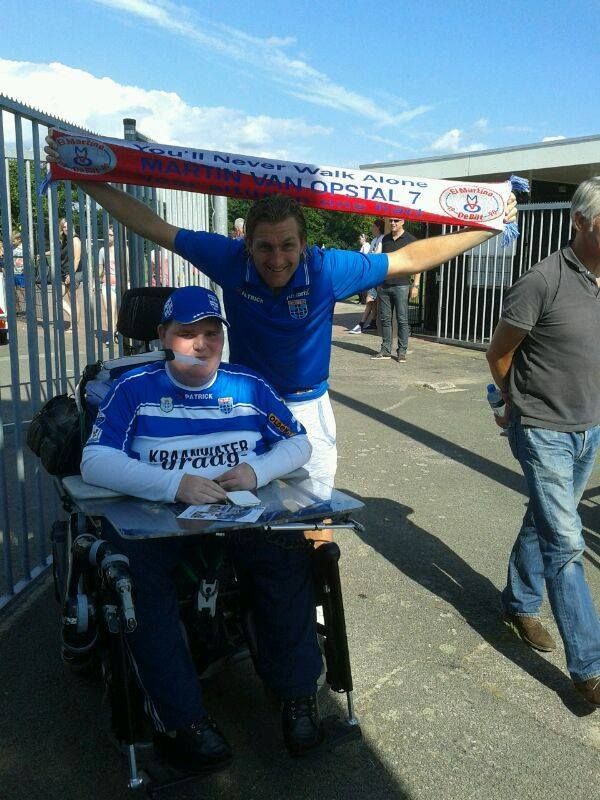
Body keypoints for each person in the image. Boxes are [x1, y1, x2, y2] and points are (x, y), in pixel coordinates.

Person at [45, 132, 517, 492]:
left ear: (304, 244)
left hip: (307, 406)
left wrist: (489, 226)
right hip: (243, 405)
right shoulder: (229, 259)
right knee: (238, 515)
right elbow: (154, 227)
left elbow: (410, 258)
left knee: (314, 516)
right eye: (265, 247)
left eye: (287, 246)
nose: (276, 259)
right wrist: (82, 177)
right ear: (246, 245)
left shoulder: (328, 268)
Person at [81, 285, 323, 770]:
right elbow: (95, 461)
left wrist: (257, 471)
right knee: (136, 580)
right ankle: (183, 721)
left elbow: (298, 443)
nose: (201, 343)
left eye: (212, 333)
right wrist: (175, 485)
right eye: (187, 333)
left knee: (286, 554)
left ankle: (297, 696)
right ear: (163, 336)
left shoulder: (248, 386)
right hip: (159, 523)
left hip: (236, 517)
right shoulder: (134, 389)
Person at [486, 177, 600, 708]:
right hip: (542, 430)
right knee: (566, 542)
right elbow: (499, 353)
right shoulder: (542, 281)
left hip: (588, 428)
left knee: (546, 517)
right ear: (580, 222)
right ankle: (590, 669)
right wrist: (513, 403)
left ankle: (518, 601)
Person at [372, 218, 419, 363]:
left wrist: (416, 285)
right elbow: (380, 261)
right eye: (391, 220)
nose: (392, 223)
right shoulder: (385, 239)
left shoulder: (410, 239)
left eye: (396, 221)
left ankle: (402, 352)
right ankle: (386, 350)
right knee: (385, 319)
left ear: (403, 221)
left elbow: (418, 263)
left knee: (402, 320)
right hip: (384, 285)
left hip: (402, 285)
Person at [348, 220, 385, 334]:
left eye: (373, 226)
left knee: (370, 299)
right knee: (372, 300)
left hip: (377, 274)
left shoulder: (382, 239)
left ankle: (361, 324)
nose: (371, 229)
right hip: (372, 273)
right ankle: (373, 322)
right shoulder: (374, 240)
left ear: (378, 227)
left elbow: (377, 254)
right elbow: (369, 255)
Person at [59, 217, 82, 331]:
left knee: (73, 300)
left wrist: (71, 275)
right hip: (64, 272)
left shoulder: (75, 240)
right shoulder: (65, 240)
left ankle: (74, 326)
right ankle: (72, 317)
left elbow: (77, 259)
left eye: (68, 226)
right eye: (64, 227)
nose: (66, 228)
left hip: (72, 273)